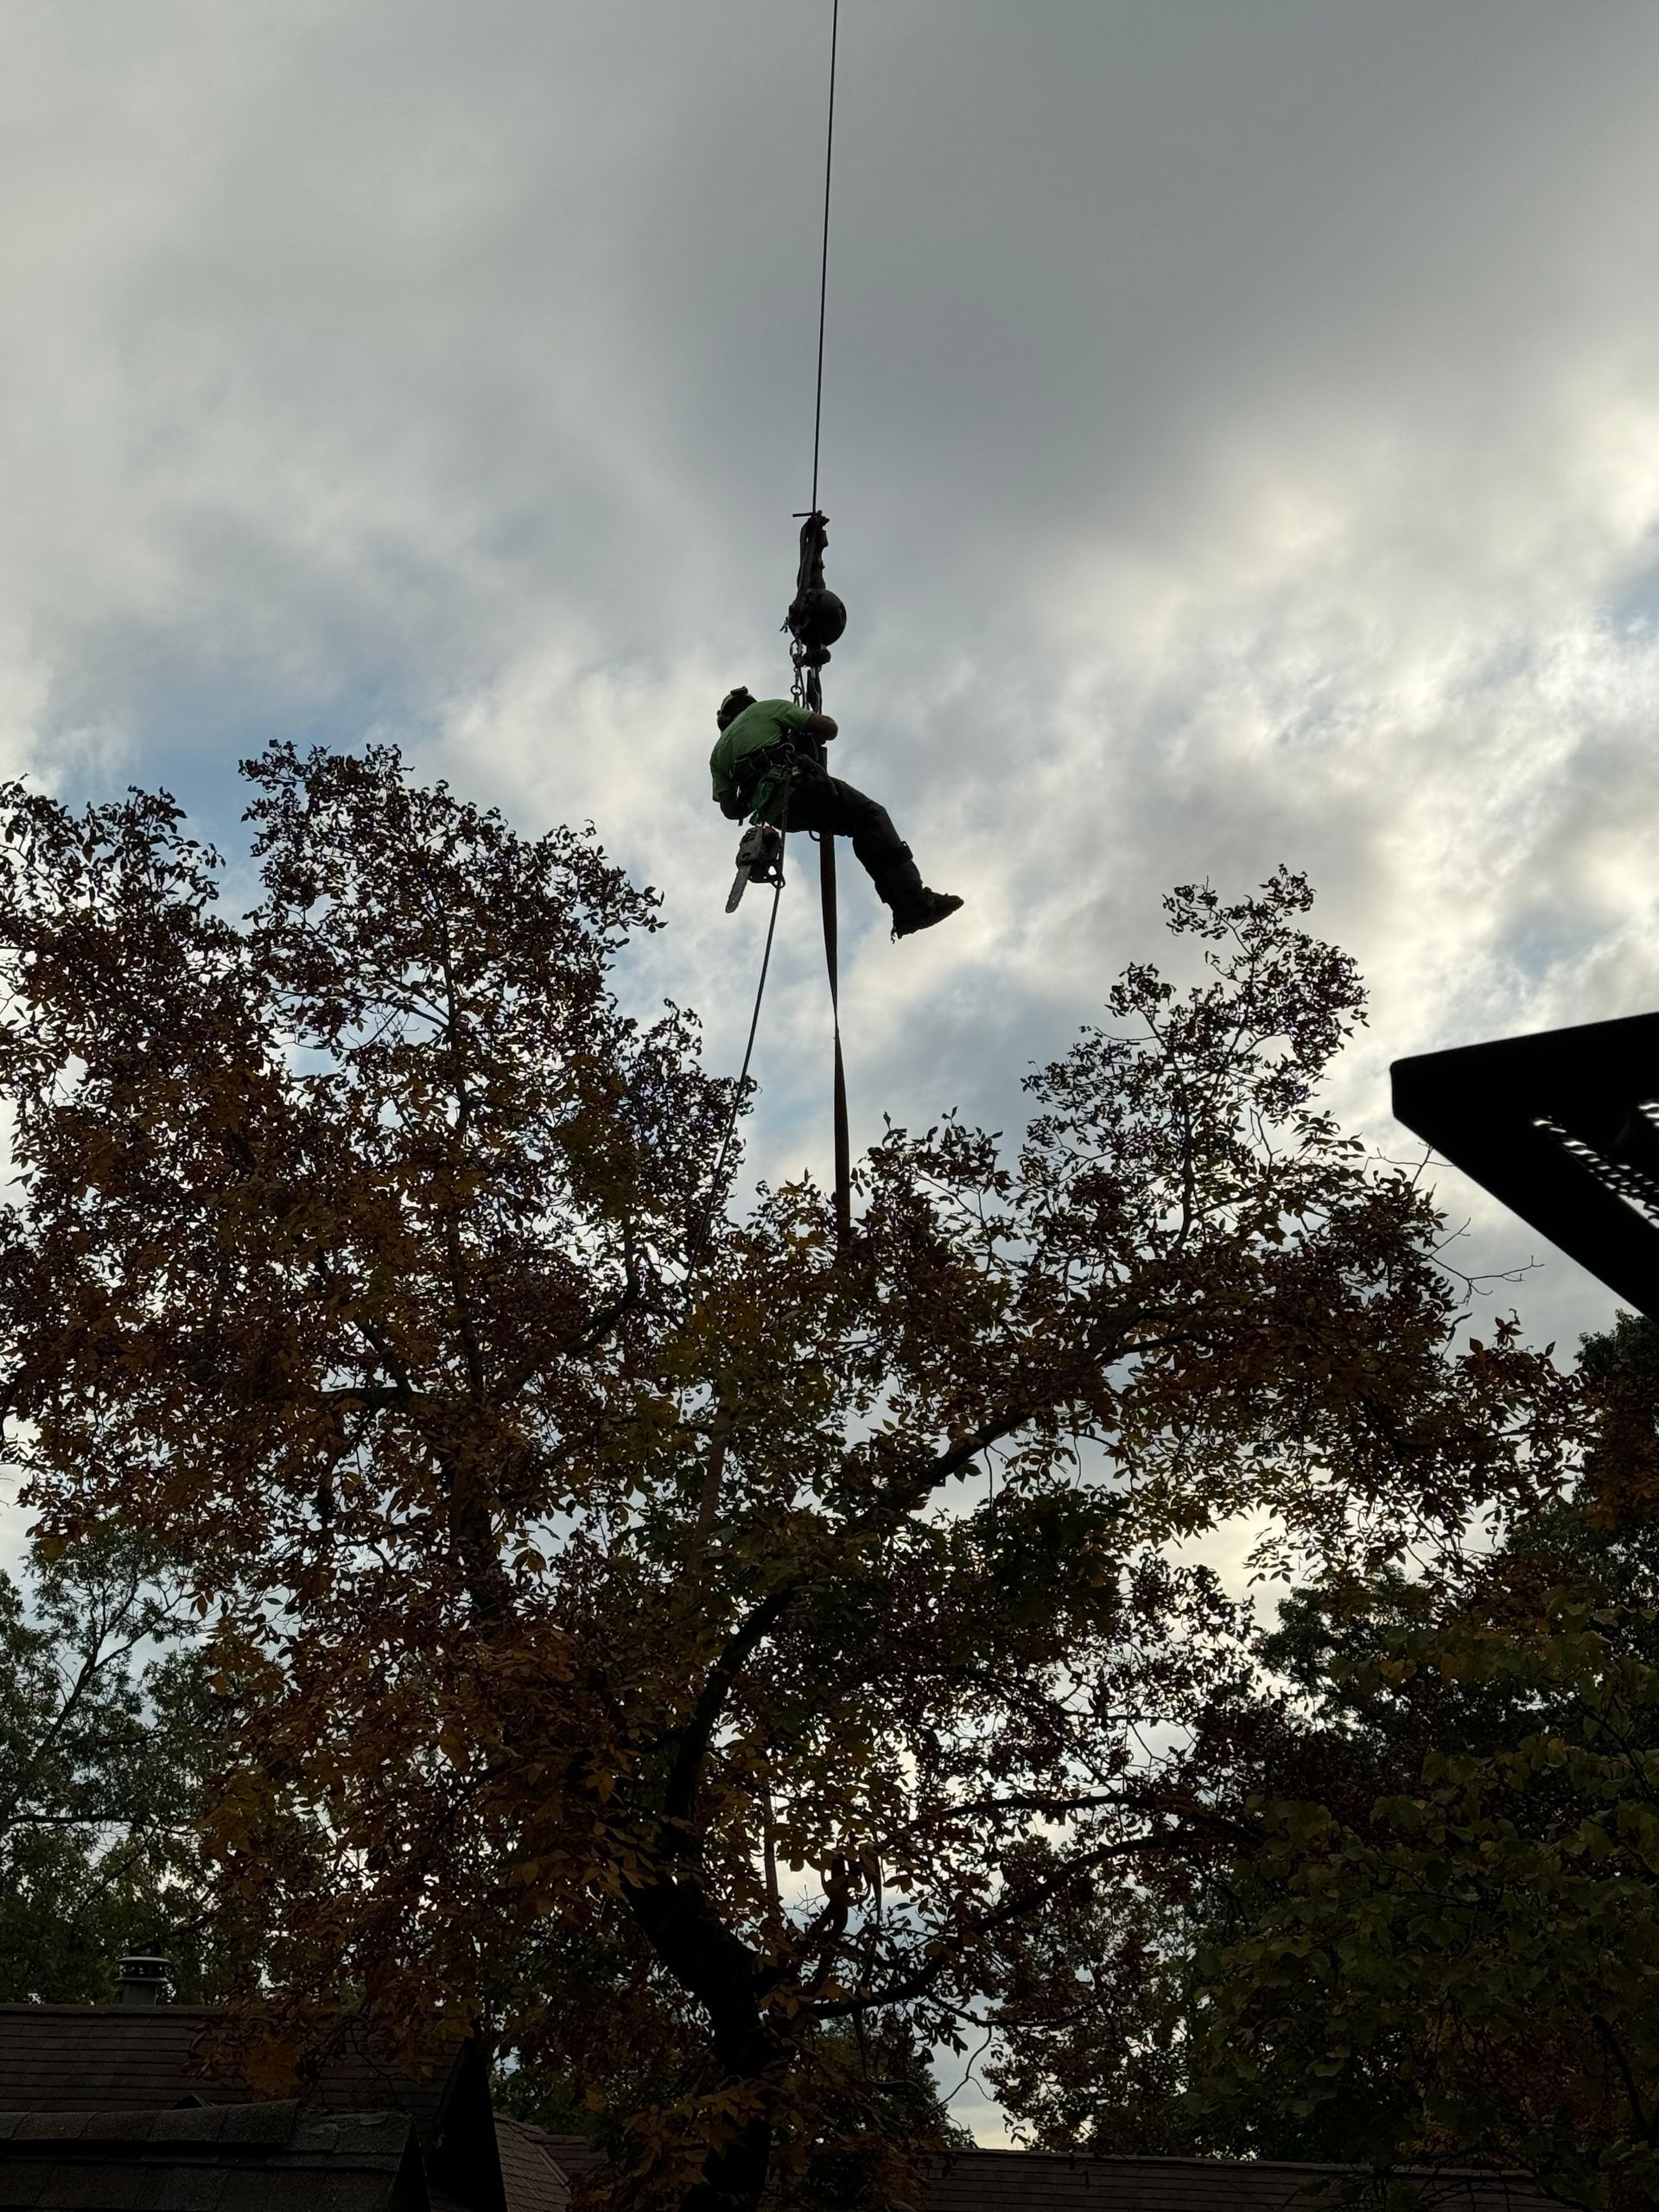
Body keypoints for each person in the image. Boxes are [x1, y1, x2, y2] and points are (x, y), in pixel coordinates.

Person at [709, 689, 963, 938]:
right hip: (802, 787)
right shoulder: (767, 708)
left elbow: (731, 810)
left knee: (858, 825)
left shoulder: (718, 753)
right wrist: (801, 730)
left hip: (780, 814)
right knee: (870, 817)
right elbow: (829, 729)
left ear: (724, 721)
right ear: (750, 703)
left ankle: (909, 907)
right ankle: (913, 904)